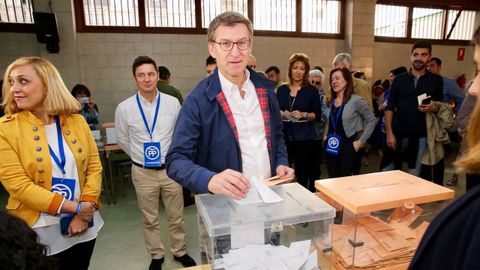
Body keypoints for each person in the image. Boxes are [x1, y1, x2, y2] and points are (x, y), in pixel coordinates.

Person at [166, 11, 294, 200]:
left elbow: (276, 135)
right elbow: (175, 160)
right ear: (212, 48)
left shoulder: (265, 89)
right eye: (225, 44)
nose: (235, 52)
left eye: (242, 43)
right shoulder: (198, 100)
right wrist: (210, 180)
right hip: (224, 205)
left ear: (250, 45)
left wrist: (281, 162)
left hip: (269, 197)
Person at [0, 56, 103, 270]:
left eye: (23, 81)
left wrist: (86, 211)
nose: (14, 89)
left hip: (84, 222)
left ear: (47, 85)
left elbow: (94, 167)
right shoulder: (5, 129)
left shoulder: (77, 121)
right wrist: (76, 209)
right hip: (37, 229)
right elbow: (19, 186)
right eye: (11, 82)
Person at [408, 26, 480, 270]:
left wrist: (437, 108)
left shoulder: (440, 82)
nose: (472, 88)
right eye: (476, 70)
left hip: (429, 137)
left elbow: (457, 115)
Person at [115, 56, 196, 270]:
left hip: (170, 170)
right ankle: (156, 255)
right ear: (135, 78)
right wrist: (140, 157)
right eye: (141, 75)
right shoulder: (125, 108)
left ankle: (180, 251)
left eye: (151, 74)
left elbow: (180, 133)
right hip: (143, 172)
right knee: (149, 218)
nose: (147, 79)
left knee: (176, 215)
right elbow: (123, 139)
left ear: (158, 76)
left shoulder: (172, 103)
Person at [385, 40, 444, 178]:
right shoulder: (399, 80)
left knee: (414, 174)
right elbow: (389, 107)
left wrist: (433, 107)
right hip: (398, 134)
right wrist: (389, 133)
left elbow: (441, 106)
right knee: (388, 171)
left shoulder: (436, 80)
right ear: (411, 56)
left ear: (429, 57)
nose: (419, 58)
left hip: (421, 136)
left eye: (423, 55)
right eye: (416, 54)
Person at [277, 53, 321, 192]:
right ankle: (283, 198)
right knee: (283, 170)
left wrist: (304, 114)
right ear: (290, 69)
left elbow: (317, 114)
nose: (298, 71)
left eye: (302, 68)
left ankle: (303, 199)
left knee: (303, 172)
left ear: (306, 71)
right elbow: (274, 110)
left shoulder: (311, 90)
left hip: (304, 137)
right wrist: (280, 113)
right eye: (295, 67)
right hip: (284, 136)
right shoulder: (282, 89)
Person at [324, 68, 376, 177]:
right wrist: (324, 136)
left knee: (344, 180)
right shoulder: (330, 101)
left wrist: (362, 141)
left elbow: (371, 120)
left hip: (348, 146)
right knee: (332, 179)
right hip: (331, 144)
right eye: (332, 79)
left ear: (347, 80)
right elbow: (329, 122)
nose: (334, 81)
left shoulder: (356, 100)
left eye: (337, 78)